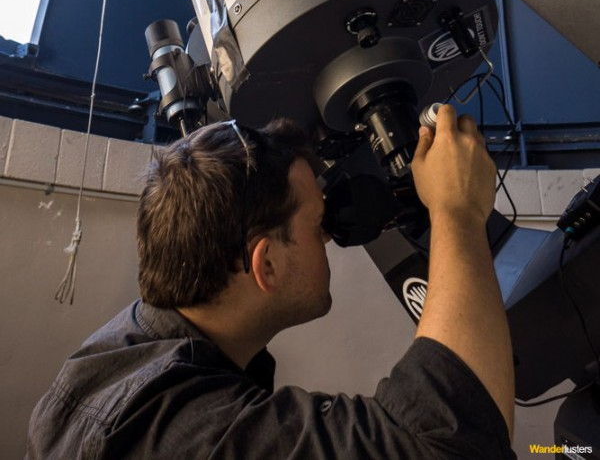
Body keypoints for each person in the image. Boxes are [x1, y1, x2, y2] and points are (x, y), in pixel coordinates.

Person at [27, 106, 516, 458]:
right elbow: (447, 441)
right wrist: (456, 212)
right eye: (315, 225)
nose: (328, 237)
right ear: (266, 266)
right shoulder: (185, 435)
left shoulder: (117, 351)